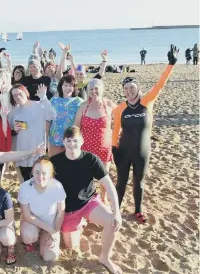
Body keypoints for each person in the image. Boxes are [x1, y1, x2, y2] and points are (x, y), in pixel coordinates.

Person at [112, 44, 179, 224]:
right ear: (123, 91)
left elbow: (160, 85)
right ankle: (116, 211)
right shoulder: (120, 109)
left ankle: (138, 210)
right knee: (121, 182)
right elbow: (116, 129)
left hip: (143, 151)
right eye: (126, 89)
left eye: (132, 88)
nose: (129, 91)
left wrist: (170, 65)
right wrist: (113, 148)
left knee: (139, 183)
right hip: (124, 152)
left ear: (138, 88)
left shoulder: (147, 102)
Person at [51, 126, 122, 274]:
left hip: (89, 202)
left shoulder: (90, 159)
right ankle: (81, 222)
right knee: (71, 246)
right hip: (68, 209)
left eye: (75, 141)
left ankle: (105, 258)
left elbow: (109, 185)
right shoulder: (55, 161)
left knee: (112, 222)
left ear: (82, 141)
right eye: (68, 141)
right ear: (63, 142)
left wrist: (117, 212)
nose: (72, 145)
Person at [74, 78, 116, 202]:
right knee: (85, 176)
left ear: (101, 89)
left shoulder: (108, 104)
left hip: (104, 147)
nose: (93, 91)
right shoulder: (83, 105)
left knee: (104, 176)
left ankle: (103, 198)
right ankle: (87, 199)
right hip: (86, 147)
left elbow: (122, 116)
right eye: (91, 89)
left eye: (96, 88)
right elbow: (76, 126)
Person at [18, 157, 66, 261]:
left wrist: (55, 232)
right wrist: (51, 231)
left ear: (50, 174)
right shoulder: (25, 187)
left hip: (50, 224)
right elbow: (27, 215)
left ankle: (43, 238)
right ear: (32, 172)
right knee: (28, 236)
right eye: (37, 172)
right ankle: (32, 242)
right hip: (32, 222)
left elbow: (61, 213)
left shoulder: (57, 186)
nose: (40, 176)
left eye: (44, 173)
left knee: (49, 257)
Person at [8, 84, 56, 181]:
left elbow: (52, 115)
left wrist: (44, 98)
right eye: (14, 95)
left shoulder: (39, 105)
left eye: (19, 93)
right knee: (26, 180)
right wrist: (14, 131)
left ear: (26, 93)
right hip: (22, 153)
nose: (17, 97)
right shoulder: (13, 113)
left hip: (38, 151)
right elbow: (10, 133)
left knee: (40, 179)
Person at [48, 75, 83, 157]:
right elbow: (48, 120)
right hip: (54, 138)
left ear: (74, 88)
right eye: (65, 85)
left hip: (71, 139)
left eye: (70, 86)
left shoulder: (79, 101)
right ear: (61, 86)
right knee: (54, 163)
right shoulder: (53, 100)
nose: (68, 88)